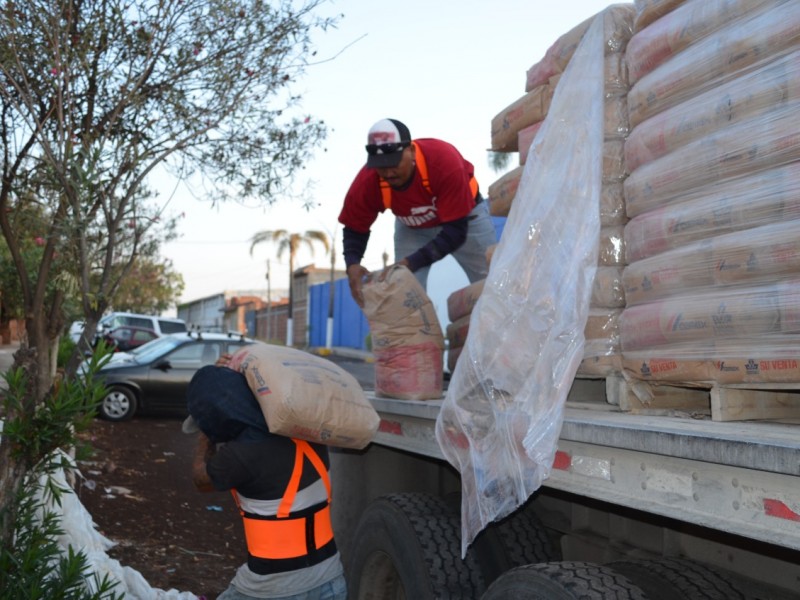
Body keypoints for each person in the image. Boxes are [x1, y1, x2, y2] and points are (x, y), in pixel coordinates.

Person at [185, 363, 347, 600]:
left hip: (271, 589)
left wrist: (205, 437)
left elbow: (201, 480)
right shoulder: (305, 429)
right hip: (331, 580)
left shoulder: (238, 456)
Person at [339, 118, 497, 307]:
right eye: (382, 166)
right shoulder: (368, 181)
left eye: (394, 163)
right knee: (405, 293)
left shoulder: (443, 161)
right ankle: (418, 336)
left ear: (411, 151)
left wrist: (410, 262)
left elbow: (455, 233)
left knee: (493, 283)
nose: (388, 173)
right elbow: (355, 227)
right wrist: (352, 264)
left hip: (465, 218)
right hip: (412, 228)